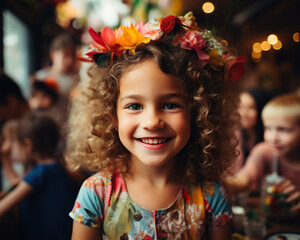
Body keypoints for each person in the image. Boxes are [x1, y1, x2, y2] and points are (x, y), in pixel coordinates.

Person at [66, 12, 246, 239]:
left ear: (199, 113)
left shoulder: (211, 195)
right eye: (134, 106)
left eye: (170, 105)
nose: (151, 122)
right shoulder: (96, 194)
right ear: (111, 115)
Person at [0, 114, 77, 240]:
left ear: (27, 145)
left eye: (15, 144)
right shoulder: (58, 168)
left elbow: (2, 208)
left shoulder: (40, 173)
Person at [226, 93, 300, 212]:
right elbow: (244, 179)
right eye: (268, 128)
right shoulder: (264, 151)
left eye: (284, 129)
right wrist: (222, 184)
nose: (273, 138)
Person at [33, 33, 80, 131]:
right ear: (53, 55)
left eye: (72, 55)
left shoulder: (77, 80)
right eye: (65, 55)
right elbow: (31, 104)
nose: (69, 60)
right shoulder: (40, 77)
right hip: (42, 129)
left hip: (66, 132)